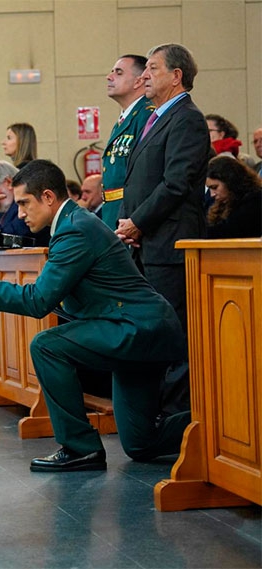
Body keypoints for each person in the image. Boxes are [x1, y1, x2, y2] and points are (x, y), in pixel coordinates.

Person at [0, 160, 190, 472]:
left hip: (137, 329)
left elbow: (39, 301)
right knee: (141, 443)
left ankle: (79, 447)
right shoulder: (70, 224)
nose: (20, 213)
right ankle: (219, 420)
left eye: (25, 203)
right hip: (136, 328)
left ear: (48, 197)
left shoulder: (74, 229)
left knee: (47, 345)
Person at [117, 43, 212, 417]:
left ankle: (177, 423)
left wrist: (138, 222)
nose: (144, 76)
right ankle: (155, 417)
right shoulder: (155, 117)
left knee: (174, 337)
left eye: (152, 69)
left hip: (170, 246)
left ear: (176, 76)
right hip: (147, 244)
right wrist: (129, 222)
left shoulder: (187, 118)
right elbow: (136, 179)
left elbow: (175, 183)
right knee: (153, 333)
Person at [102, 55, 155, 230]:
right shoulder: (126, 118)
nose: (109, 77)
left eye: (118, 72)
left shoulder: (146, 115)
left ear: (138, 81)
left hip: (131, 215)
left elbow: (148, 174)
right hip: (114, 212)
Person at [205, 156, 262, 238]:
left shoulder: (255, 201)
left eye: (215, 187)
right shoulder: (222, 204)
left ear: (229, 181)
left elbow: (228, 232)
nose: (212, 194)